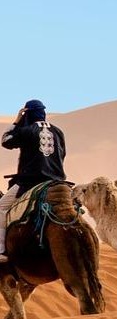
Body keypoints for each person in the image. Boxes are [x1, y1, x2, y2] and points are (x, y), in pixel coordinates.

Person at [0, 100, 68, 263]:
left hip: (30, 182)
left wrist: (17, 121)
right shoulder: (58, 131)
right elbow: (62, 154)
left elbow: (5, 140)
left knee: (1, 208)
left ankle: (1, 250)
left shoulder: (27, 130)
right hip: (56, 181)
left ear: (27, 114)